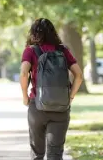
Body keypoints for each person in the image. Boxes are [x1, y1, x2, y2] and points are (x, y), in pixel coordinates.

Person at [19, 18, 83, 160]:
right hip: (61, 109)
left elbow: (24, 73)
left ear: (33, 33)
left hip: (37, 106)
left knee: (37, 153)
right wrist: (70, 97)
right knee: (55, 154)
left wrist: (25, 97)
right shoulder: (63, 50)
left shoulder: (30, 51)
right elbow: (78, 75)